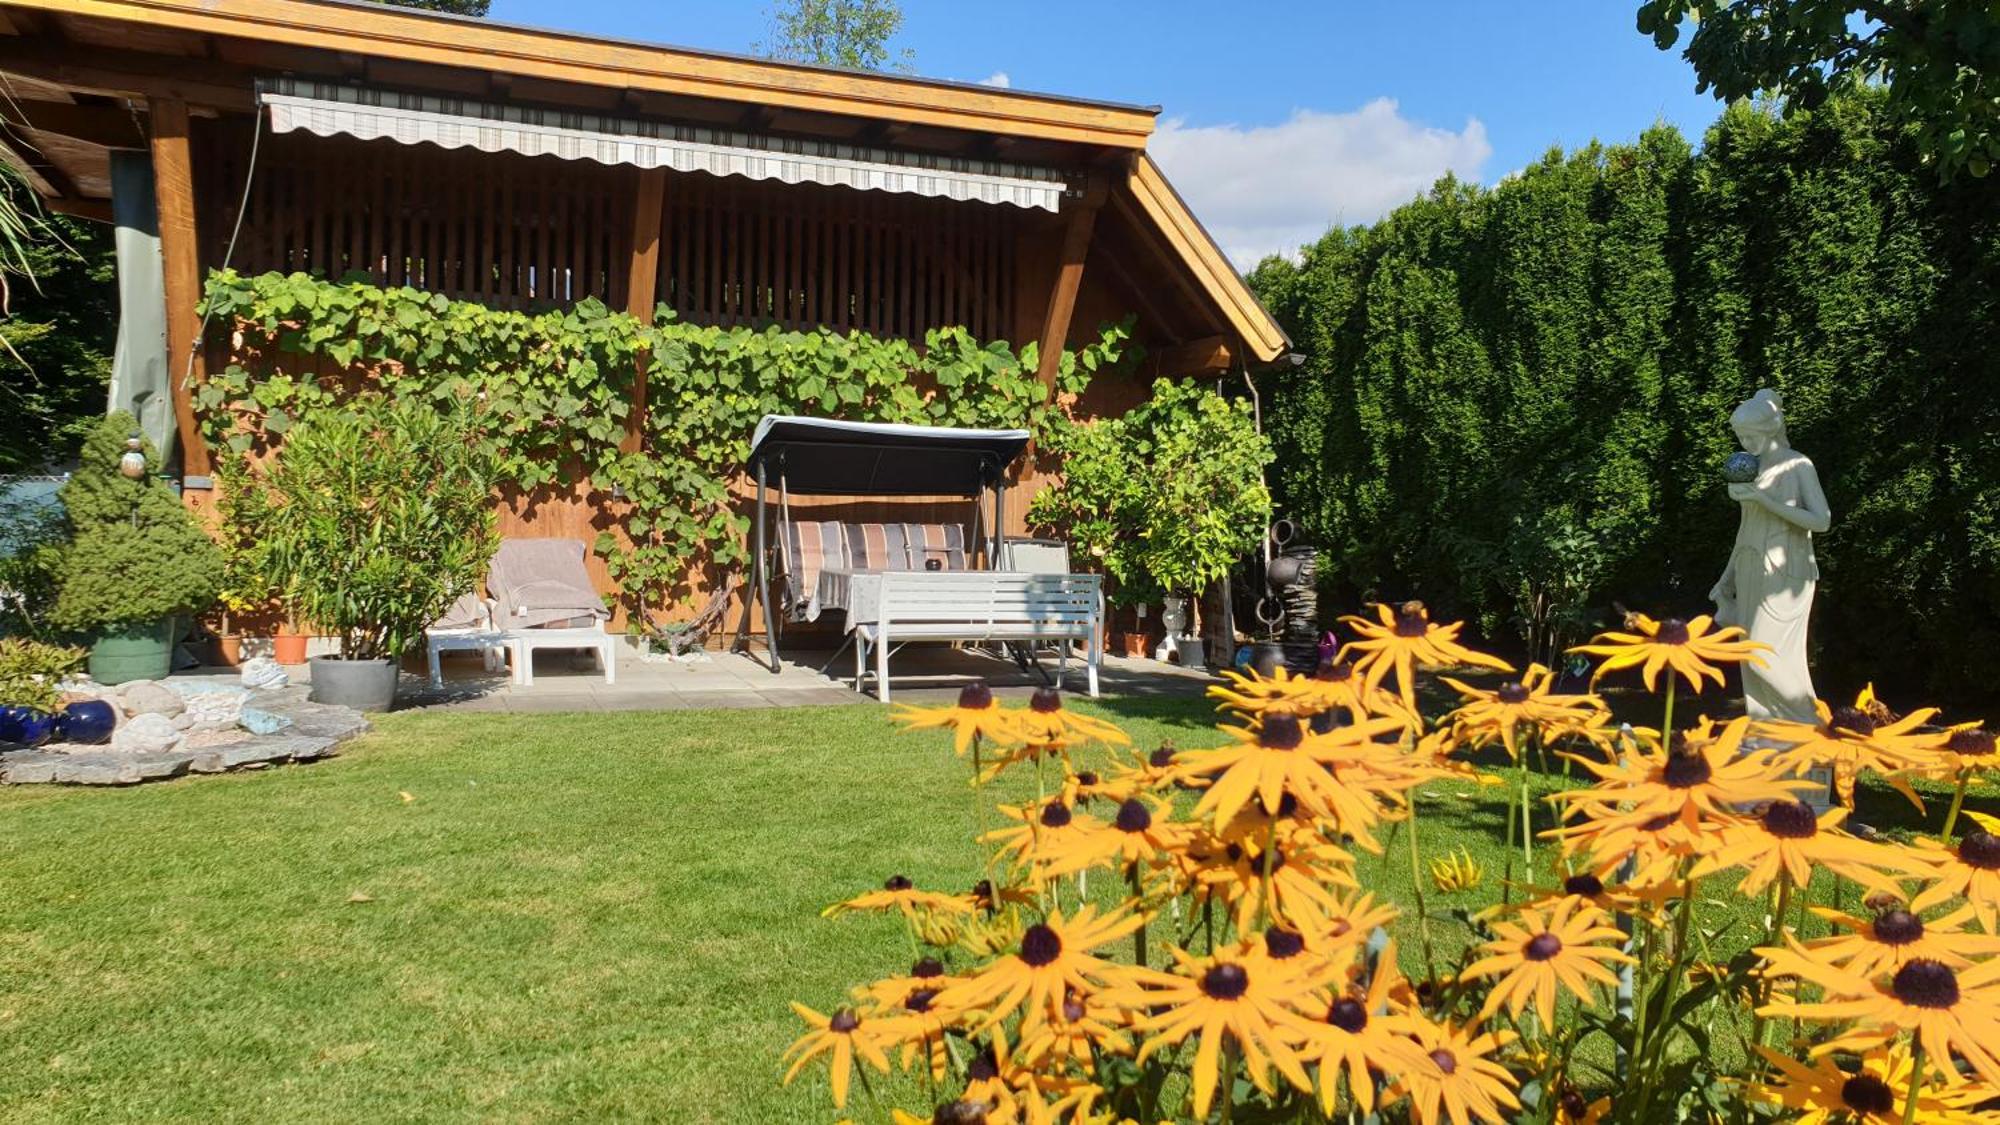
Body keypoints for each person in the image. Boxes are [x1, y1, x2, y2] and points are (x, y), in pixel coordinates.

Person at [1709, 389, 1831, 724]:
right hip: (1751, 567)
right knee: (1748, 656)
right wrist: (1726, 577)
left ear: (1771, 429)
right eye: (1741, 437)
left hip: (1787, 571)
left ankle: (1812, 726)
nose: (1746, 444)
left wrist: (1766, 501)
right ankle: (1769, 730)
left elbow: (1821, 520)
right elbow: (1746, 529)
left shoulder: (1798, 464)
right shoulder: (1751, 468)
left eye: (1751, 436)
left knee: (1760, 650)